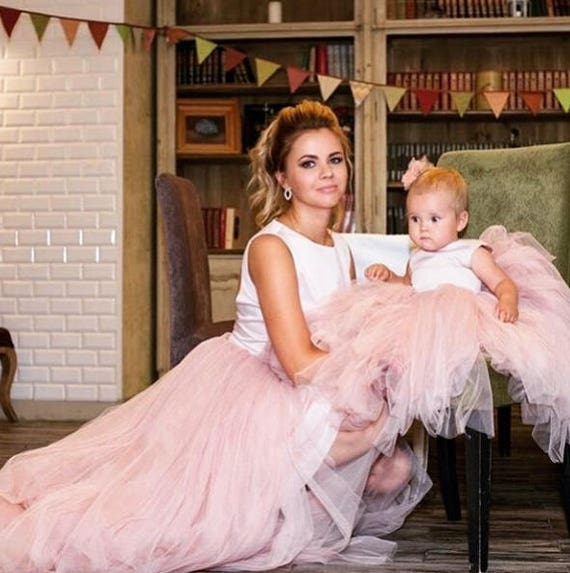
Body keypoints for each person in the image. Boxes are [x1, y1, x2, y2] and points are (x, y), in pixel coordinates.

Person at [0, 101, 430, 573]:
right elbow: (299, 363)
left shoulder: (342, 246)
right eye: (308, 163)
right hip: (261, 384)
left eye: (335, 159)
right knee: (366, 434)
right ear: (283, 178)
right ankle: (259, 502)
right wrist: (371, 389)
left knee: (395, 468)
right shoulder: (272, 246)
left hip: (311, 378)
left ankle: (281, 500)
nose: (327, 174)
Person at [305, 156, 570, 462]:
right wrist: (388, 277)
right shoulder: (416, 256)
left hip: (463, 319)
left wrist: (507, 301)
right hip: (417, 319)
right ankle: (368, 422)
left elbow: (503, 283)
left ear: (460, 221)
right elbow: (408, 285)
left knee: (438, 352)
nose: (422, 229)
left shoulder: (471, 251)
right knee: (374, 350)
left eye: (434, 219)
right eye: (415, 219)